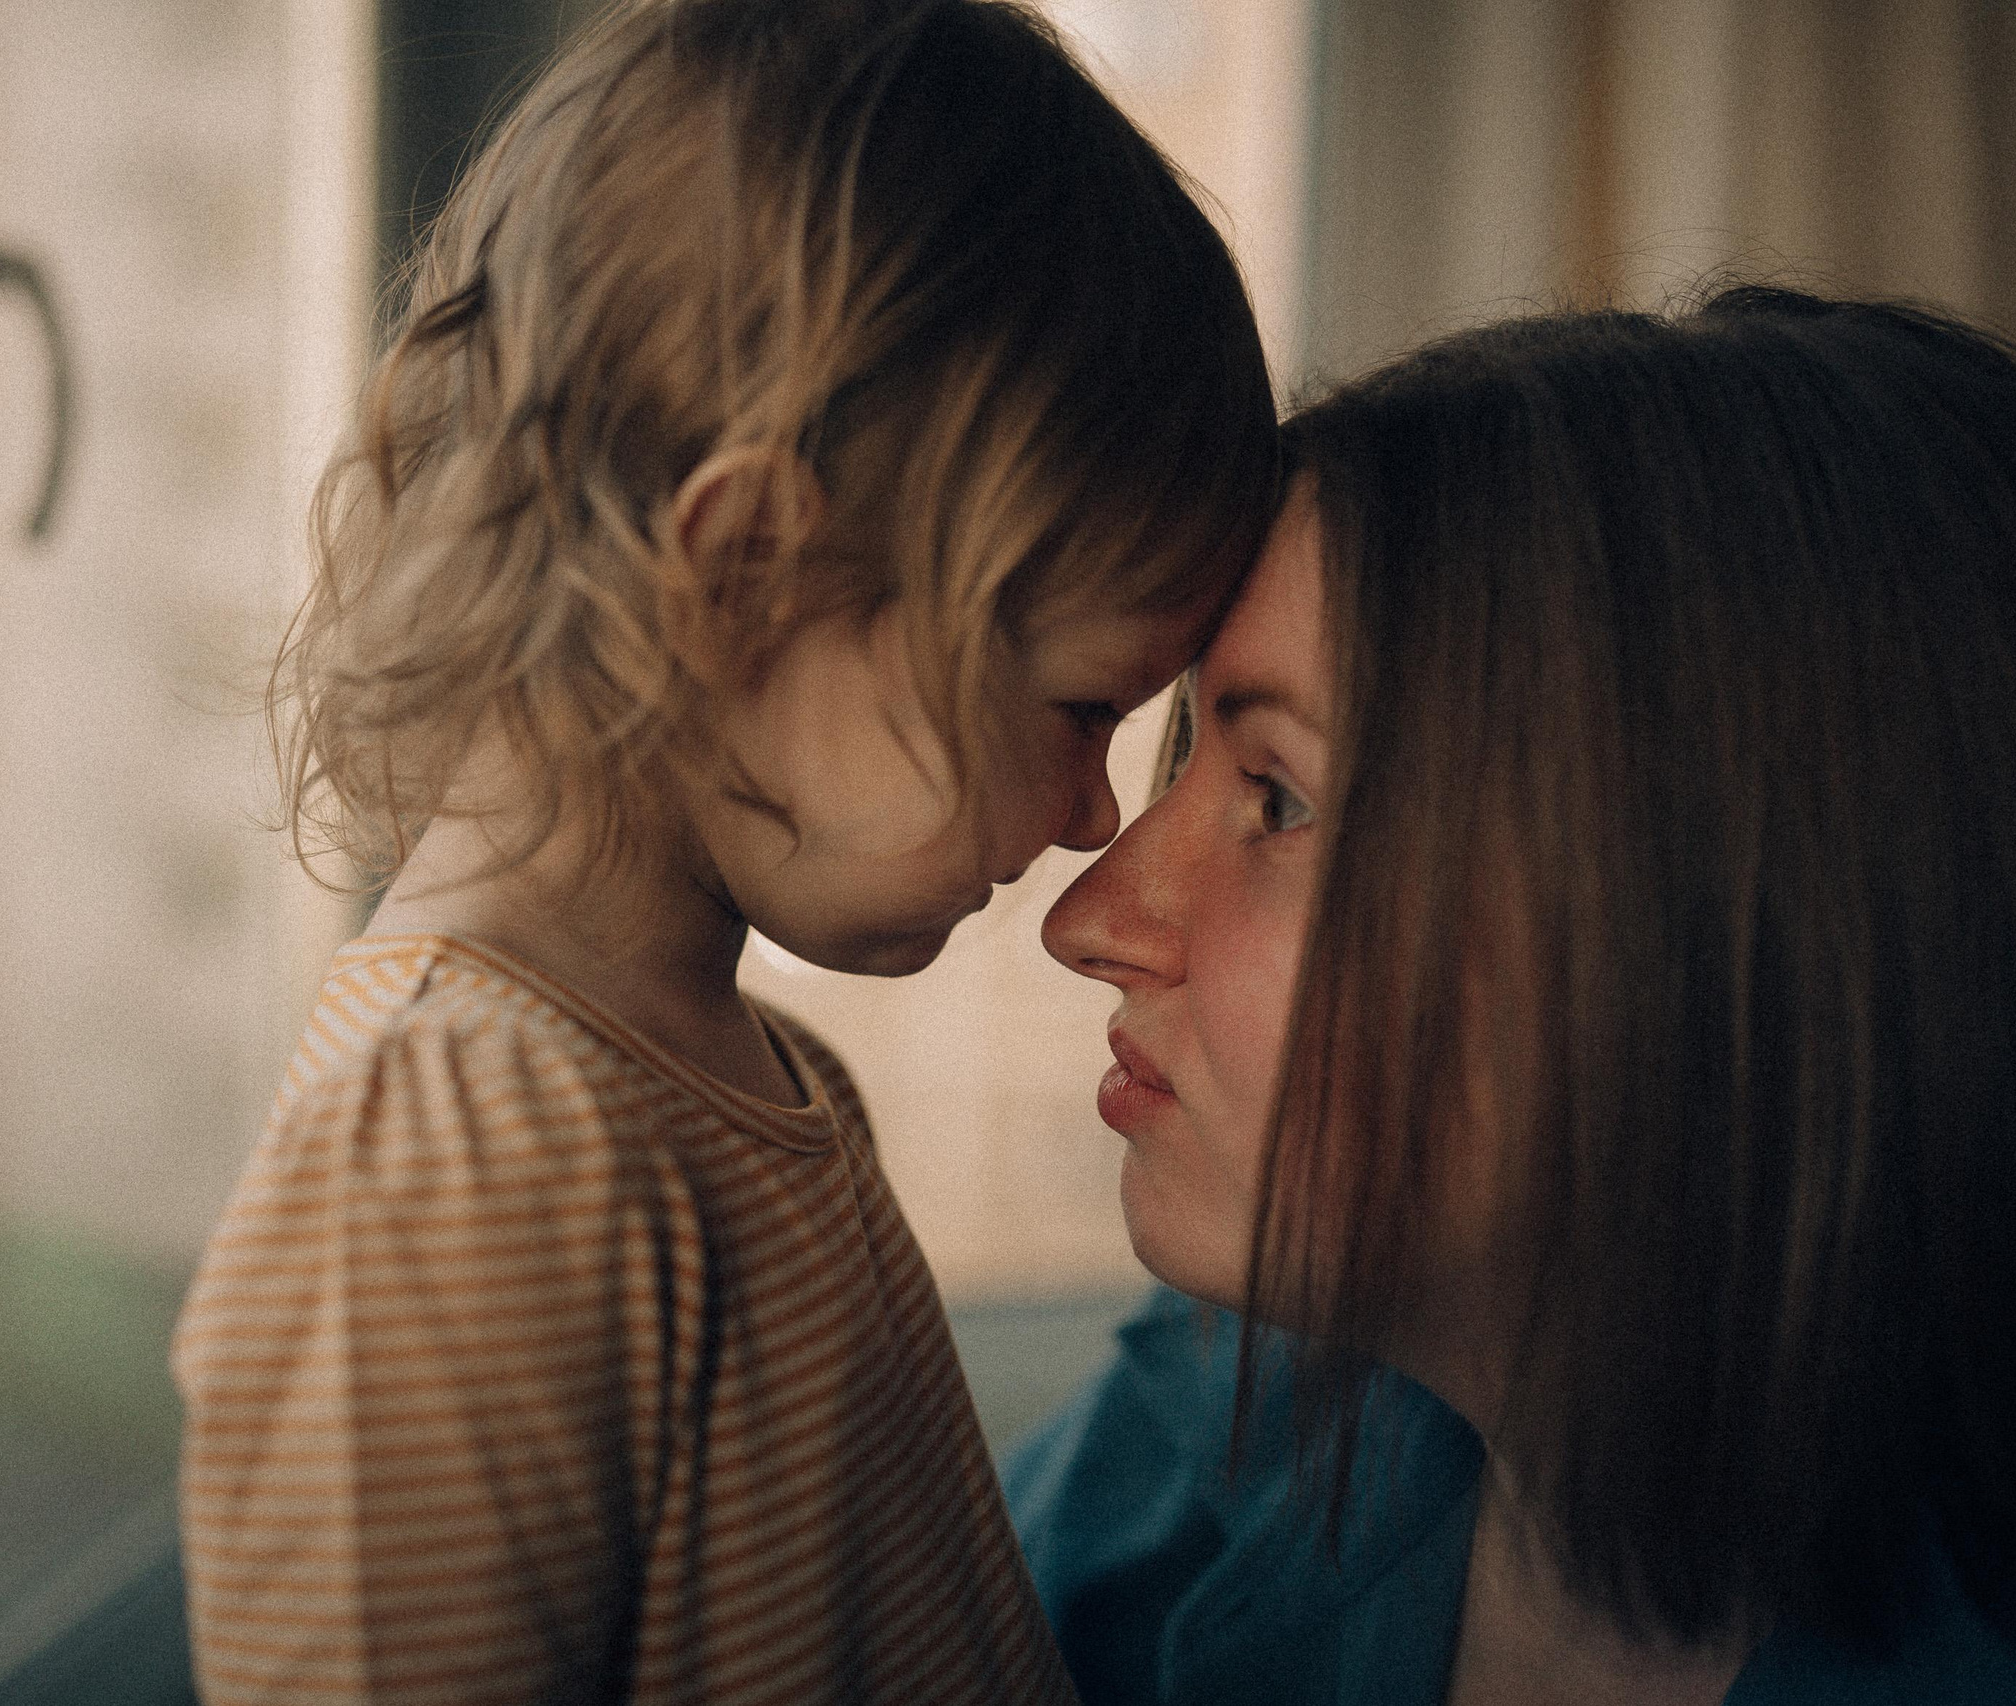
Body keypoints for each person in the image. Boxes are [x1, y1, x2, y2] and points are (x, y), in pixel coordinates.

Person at [168, 1, 1277, 1700]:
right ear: (746, 572)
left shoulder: (752, 1089)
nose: (1093, 817)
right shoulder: (449, 1158)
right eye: (1079, 709)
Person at [1016, 287, 2016, 1705]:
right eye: (1189, 746)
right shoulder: (1210, 1421)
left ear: (1734, 928)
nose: (1089, 920)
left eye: (1282, 798)